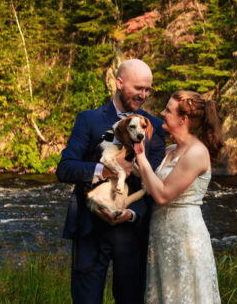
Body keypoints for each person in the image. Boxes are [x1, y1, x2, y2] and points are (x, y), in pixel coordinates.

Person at [56, 59, 166, 304]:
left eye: (148, 89)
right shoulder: (88, 120)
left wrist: (132, 213)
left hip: (132, 232)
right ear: (119, 83)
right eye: (138, 88)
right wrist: (106, 172)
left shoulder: (154, 127)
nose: (144, 94)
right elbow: (65, 169)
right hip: (89, 227)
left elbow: (156, 180)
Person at [133, 90, 223, 304]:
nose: (162, 113)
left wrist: (141, 156)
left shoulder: (197, 152)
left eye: (168, 110)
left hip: (185, 239)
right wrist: (132, 168)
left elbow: (163, 195)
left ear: (183, 119)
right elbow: (153, 184)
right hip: (161, 236)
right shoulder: (172, 149)